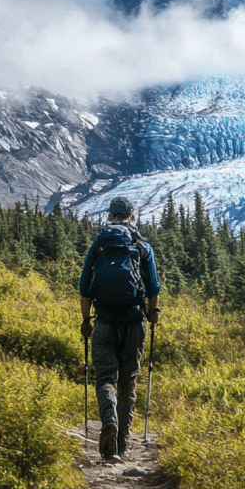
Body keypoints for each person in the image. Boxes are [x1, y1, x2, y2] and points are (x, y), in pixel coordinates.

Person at [79, 195, 161, 461]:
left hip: (103, 321)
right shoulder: (142, 246)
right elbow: (154, 288)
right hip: (134, 320)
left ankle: (109, 422)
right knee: (128, 382)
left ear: (110, 215)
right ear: (132, 216)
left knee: (104, 378)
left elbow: (84, 288)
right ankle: (122, 444)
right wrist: (152, 314)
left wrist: (85, 320)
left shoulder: (99, 245)